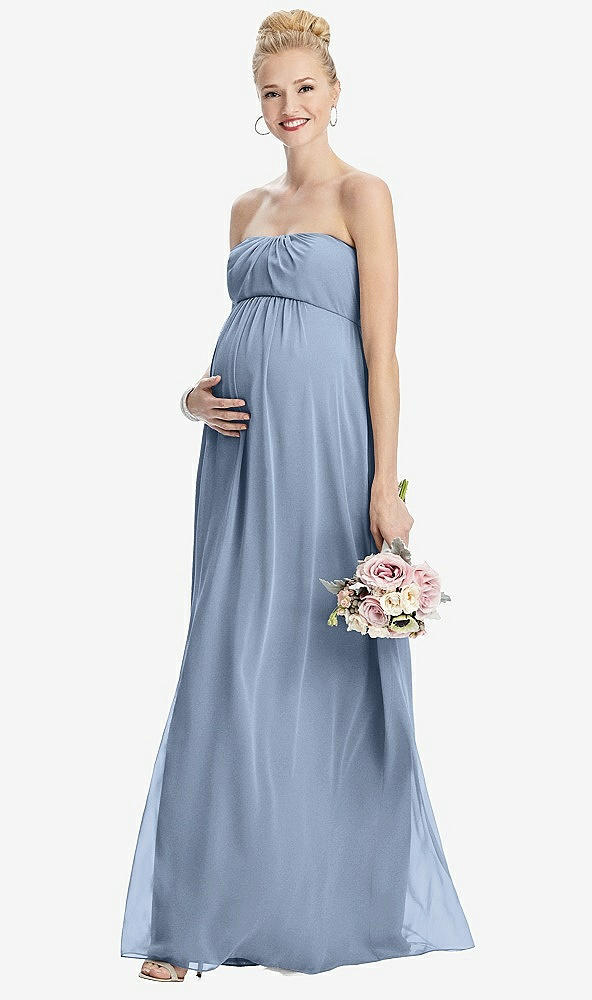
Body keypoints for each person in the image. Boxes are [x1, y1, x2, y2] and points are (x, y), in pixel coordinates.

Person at [121, 8, 475, 980]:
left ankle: (333, 900)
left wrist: (384, 482)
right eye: (272, 92)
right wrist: (191, 399)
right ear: (257, 101)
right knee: (227, 659)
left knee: (323, 661)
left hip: (327, 454)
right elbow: (240, 333)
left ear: (335, 92)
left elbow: (380, 350)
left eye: (304, 88)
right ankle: (193, 919)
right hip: (237, 465)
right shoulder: (245, 207)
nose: (289, 106)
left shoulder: (364, 194)